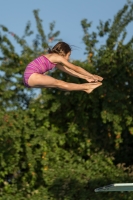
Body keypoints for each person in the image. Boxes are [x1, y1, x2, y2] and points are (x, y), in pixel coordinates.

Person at [23, 42, 103, 93]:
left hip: (28, 79)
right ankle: (87, 87)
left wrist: (85, 77)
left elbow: (69, 71)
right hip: (31, 75)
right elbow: (76, 68)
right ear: (63, 53)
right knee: (59, 83)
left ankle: (86, 87)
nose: (68, 58)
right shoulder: (57, 57)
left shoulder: (53, 59)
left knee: (60, 86)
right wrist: (92, 75)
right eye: (68, 55)